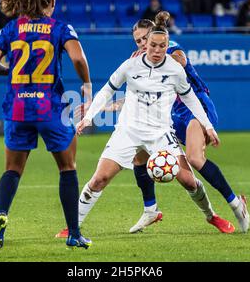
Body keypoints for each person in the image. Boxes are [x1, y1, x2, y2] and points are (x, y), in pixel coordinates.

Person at [60, 13, 236, 240]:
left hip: (161, 132)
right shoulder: (131, 65)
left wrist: (207, 126)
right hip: (128, 131)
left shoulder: (173, 65)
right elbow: (107, 90)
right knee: (99, 179)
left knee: (188, 180)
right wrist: (89, 116)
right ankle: (73, 226)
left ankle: (211, 216)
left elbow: (190, 95)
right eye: (140, 42)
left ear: (160, 41)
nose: (145, 45)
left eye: (149, 41)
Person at [0, 0, 93, 253]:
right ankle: (74, 234)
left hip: (18, 107)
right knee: (67, 168)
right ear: (51, 1)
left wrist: (10, 72)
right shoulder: (60, 27)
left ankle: (1, 216)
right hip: (49, 108)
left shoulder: (10, 29)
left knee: (12, 169)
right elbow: (78, 57)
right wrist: (87, 85)